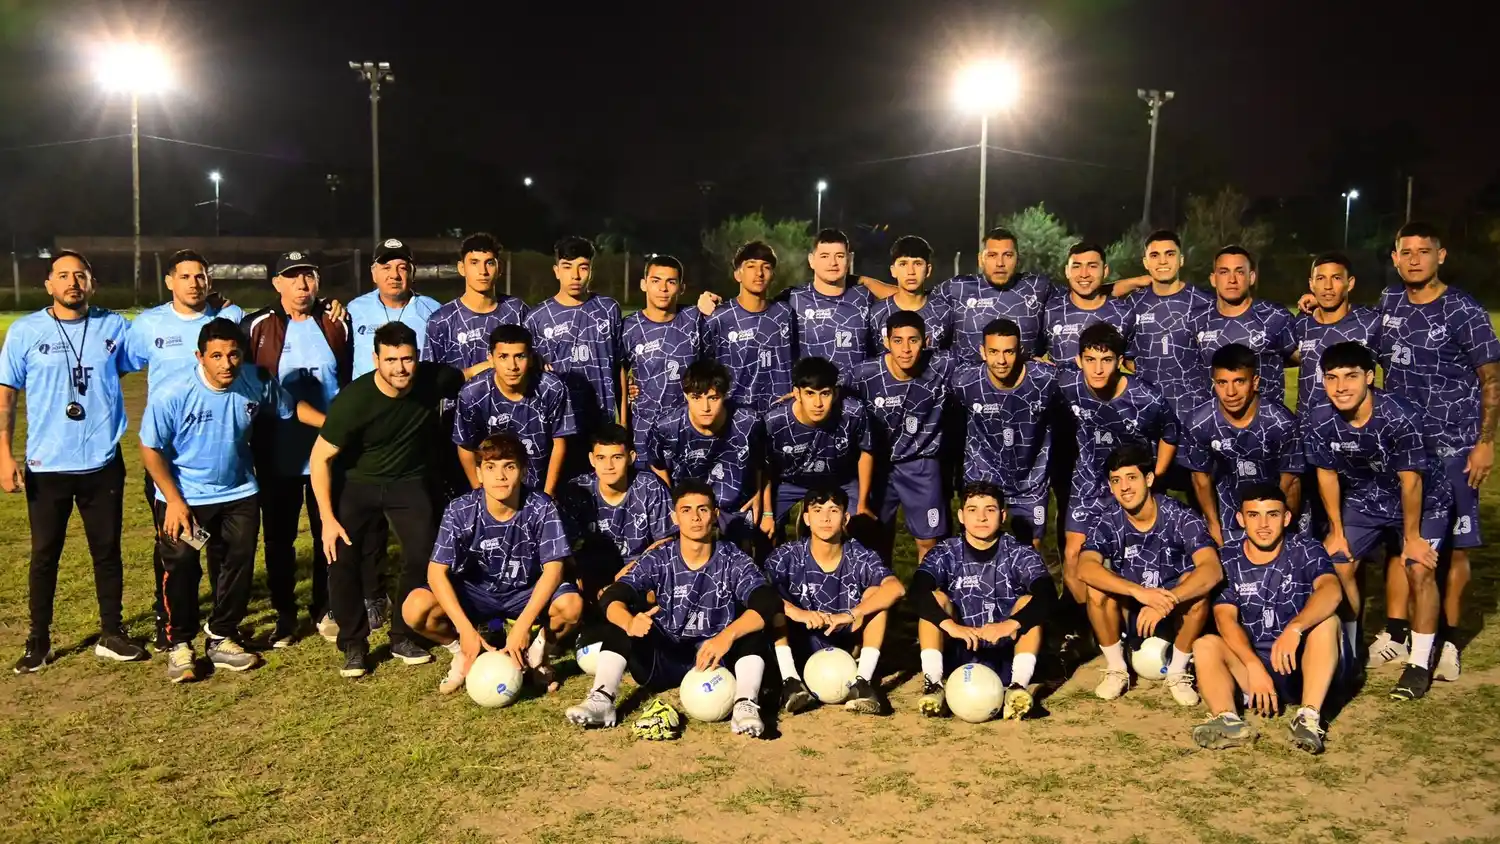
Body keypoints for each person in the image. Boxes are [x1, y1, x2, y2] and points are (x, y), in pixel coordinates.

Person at [140, 319, 324, 682]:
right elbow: (150, 449)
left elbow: (290, 408)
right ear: (200, 356)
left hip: (239, 493)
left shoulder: (254, 381)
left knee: (237, 565)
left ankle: (221, 636)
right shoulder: (172, 392)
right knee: (182, 565)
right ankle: (180, 644)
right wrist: (174, 500)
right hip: (185, 498)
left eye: (234, 355)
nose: (227, 364)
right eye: (217, 356)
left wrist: (335, 425)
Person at [0, 250, 149, 672]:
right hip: (47, 465)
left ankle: (112, 633)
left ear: (91, 283)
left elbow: (146, 351)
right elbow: (6, 395)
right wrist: (3, 454)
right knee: (45, 555)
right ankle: (38, 641)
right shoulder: (26, 331)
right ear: (49, 284)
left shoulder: (114, 327)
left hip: (102, 462)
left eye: (80, 275)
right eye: (63, 275)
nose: (72, 282)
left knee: (107, 552)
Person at [1373, 222, 1500, 683]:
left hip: (1455, 448)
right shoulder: (1389, 302)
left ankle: (1447, 641)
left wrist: (1485, 443)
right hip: (1401, 447)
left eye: (1423, 251)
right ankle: (1396, 632)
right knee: (1401, 541)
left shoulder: (1463, 309)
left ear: (1440, 256)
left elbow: (1491, 378)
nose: (1414, 259)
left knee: (1456, 548)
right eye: (1405, 252)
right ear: (1394, 258)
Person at [564, 480, 782, 739]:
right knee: (622, 622)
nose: (695, 517)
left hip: (717, 658)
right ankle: (602, 700)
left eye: (703, 509)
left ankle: (745, 705)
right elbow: (613, 595)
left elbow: (768, 601)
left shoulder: (733, 558)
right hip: (665, 658)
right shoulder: (660, 557)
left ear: (715, 515)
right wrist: (629, 622)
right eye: (686, 510)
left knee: (751, 630)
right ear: (675, 517)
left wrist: (727, 636)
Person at [309, 322, 464, 677]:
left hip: (408, 481)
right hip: (357, 482)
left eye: (407, 359)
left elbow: (470, 374)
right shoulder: (354, 400)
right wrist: (328, 519)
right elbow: (320, 458)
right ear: (375, 359)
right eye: (391, 360)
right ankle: (353, 643)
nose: (400, 368)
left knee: (424, 554)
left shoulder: (433, 379)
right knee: (341, 557)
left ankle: (402, 636)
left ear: (417, 357)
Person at [1304, 341, 1452, 700]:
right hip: (1366, 500)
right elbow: (1326, 475)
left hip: (1423, 500)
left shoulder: (1400, 414)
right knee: (1337, 563)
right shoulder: (1320, 417)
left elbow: (1411, 482)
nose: (1341, 387)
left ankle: (1418, 663)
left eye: (1351, 377)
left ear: (1370, 377)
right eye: (1332, 378)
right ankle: (1350, 653)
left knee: (1419, 568)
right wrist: (1337, 531)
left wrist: (1412, 538)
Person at [125, 249, 245, 649]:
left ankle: (221, 625)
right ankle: (171, 623)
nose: (194, 283)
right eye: (186, 276)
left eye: (201, 276)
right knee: (178, 545)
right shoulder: (148, 324)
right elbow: (120, 367)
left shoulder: (229, 318)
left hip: (218, 452)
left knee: (221, 547)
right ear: (170, 281)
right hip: (168, 458)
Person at [403, 433, 583, 695]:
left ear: (523, 471)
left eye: (509, 466)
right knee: (415, 608)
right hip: (476, 592)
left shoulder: (542, 507)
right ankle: (462, 653)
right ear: (479, 473)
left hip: (525, 590)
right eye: (490, 467)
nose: (500, 476)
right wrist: (465, 630)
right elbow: (436, 572)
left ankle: (537, 656)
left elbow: (554, 570)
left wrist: (523, 626)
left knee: (571, 606)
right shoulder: (459, 510)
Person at [243, 250, 352, 646]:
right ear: (277, 283)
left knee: (329, 530)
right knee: (279, 538)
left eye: (308, 276)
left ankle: (326, 606)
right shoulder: (256, 325)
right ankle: (285, 613)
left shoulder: (337, 321)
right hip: (278, 452)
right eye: (292, 277)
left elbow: (349, 376)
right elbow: (248, 382)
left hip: (329, 450)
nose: (302, 284)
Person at [1192, 483, 1341, 754]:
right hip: (1253, 670)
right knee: (1205, 645)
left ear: (1286, 518)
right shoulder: (1227, 557)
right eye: (1253, 515)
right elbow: (1225, 619)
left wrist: (1295, 629)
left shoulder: (1306, 548)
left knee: (1329, 623)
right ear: (1240, 519)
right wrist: (1253, 665)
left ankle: (1308, 717)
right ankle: (1228, 720)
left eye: (1272, 514)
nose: (1263, 524)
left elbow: (1331, 590)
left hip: (1299, 663)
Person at [1077, 444, 1222, 705]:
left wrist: (1168, 600)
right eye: (1116, 481)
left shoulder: (1180, 516)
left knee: (1196, 587)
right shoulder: (1107, 520)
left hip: (1175, 611)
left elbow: (1212, 569)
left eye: (1131, 478)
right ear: (1110, 487)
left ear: (1149, 479)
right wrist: (1139, 592)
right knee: (1096, 586)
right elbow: (1084, 567)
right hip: (1133, 608)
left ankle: (1178, 670)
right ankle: (1117, 668)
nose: (1124, 487)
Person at [1058, 323, 1179, 621]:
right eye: (1090, 360)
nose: (1098, 369)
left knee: (1131, 557)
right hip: (1088, 481)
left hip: (1129, 483)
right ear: (1078, 360)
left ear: (1120, 361)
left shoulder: (1146, 398)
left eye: (1107, 360)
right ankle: (1093, 626)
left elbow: (1170, 433)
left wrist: (1156, 475)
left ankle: (1131, 625)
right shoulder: (1067, 383)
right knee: (1073, 554)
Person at [910, 481, 1056, 721]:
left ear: (1003, 515)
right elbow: (916, 592)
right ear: (961, 516)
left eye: (990, 509)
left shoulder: (1020, 552)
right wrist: (951, 626)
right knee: (935, 598)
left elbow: (1048, 595)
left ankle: (1018, 687)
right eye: (972, 510)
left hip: (1007, 650)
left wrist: (1010, 625)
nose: (981, 517)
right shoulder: (946, 552)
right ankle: (934, 684)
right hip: (961, 650)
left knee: (1028, 601)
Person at [765, 487, 903, 715]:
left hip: (846, 641)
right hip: (800, 640)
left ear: (845, 518)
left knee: (876, 594)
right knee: (772, 599)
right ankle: (790, 681)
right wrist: (798, 613)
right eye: (817, 510)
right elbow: (758, 590)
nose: (826, 518)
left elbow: (896, 588)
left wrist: (850, 614)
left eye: (833, 510)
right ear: (806, 518)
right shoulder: (788, 555)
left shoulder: (859, 554)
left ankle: (863, 682)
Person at [1114, 230, 1216, 494]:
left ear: (1181, 259)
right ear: (1145, 262)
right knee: (1152, 495)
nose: (1162, 261)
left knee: (1203, 494)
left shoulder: (1205, 303)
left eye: (1169, 254)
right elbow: (1128, 359)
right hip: (1151, 421)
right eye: (1155, 255)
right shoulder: (1133, 304)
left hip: (1196, 417)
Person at [848, 310, 952, 561]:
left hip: (920, 463)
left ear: (926, 341)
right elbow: (830, 394)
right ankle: (883, 586)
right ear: (886, 342)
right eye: (898, 341)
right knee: (874, 539)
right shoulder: (863, 374)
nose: (905, 349)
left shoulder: (943, 365)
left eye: (913, 340)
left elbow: (986, 365)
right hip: (876, 464)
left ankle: (927, 586)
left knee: (929, 541)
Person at [951, 318, 1059, 549]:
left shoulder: (1046, 379)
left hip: (1030, 481)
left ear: (1021, 351)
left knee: (1031, 549)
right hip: (982, 477)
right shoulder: (964, 382)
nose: (1001, 360)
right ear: (983, 351)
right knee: (978, 544)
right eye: (994, 352)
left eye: (1008, 352)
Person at [1182, 344, 1304, 547]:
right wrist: (1213, 525)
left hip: (1276, 499)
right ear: (1213, 383)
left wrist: (1279, 522)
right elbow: (1200, 478)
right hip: (1228, 502)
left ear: (1254, 382)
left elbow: (1290, 481)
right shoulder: (1198, 422)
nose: (1230, 392)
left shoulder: (1281, 422)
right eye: (1222, 383)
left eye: (1239, 381)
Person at [647, 360, 765, 548]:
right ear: (685, 395)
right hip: (689, 507)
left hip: (736, 505)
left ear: (725, 395)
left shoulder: (749, 421)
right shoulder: (666, 427)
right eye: (696, 398)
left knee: (746, 556)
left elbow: (761, 462)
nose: (705, 407)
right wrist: (673, 503)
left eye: (713, 398)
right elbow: (657, 464)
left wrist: (760, 498)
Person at [525, 236, 623, 453]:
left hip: (602, 421)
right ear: (556, 271)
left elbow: (620, 368)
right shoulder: (536, 318)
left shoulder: (609, 310)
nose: (576, 275)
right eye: (567, 267)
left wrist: (624, 421)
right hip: (558, 426)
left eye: (583, 267)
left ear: (591, 271)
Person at [452, 324, 575, 496]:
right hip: (493, 486)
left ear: (531, 358)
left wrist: (547, 495)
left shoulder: (552, 388)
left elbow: (559, 443)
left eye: (520, 356)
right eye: (503, 357)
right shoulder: (472, 393)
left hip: (538, 484)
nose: (512, 366)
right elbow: (465, 446)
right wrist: (479, 492)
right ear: (491, 359)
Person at [558, 424, 675, 599]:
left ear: (631, 457)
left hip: (640, 567)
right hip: (593, 569)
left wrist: (629, 573)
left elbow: (666, 539)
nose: (609, 466)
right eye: (601, 458)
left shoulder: (650, 486)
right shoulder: (578, 489)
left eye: (617, 457)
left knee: (656, 592)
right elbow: (564, 546)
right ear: (591, 459)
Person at [763, 356, 874, 538]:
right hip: (789, 483)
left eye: (825, 393)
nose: (818, 404)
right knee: (762, 530)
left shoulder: (854, 412)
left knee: (859, 526)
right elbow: (764, 467)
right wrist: (767, 513)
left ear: (835, 393)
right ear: (797, 393)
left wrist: (863, 503)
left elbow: (866, 451)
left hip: (840, 481)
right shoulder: (774, 421)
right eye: (810, 394)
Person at [621, 255, 703, 461]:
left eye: (671, 282)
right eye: (656, 281)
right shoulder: (628, 328)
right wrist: (626, 390)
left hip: (690, 429)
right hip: (643, 430)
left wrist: (712, 301)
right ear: (644, 284)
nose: (663, 288)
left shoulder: (696, 318)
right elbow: (616, 372)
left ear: (681, 288)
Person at [1193, 246, 1296, 408]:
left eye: (1240, 272)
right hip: (1215, 420)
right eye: (1224, 272)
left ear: (1252, 277)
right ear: (1213, 279)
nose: (1232, 279)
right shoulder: (1197, 319)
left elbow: (1309, 358)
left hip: (1267, 419)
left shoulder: (1275, 316)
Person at [699, 241, 794, 413]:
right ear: (737, 274)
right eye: (751, 266)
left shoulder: (785, 313)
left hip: (781, 412)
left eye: (766, 267)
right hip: (735, 415)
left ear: (773, 274)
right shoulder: (718, 318)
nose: (759, 273)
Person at [934, 226, 1053, 360]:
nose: (1000, 263)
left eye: (1008, 255)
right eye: (992, 255)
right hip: (964, 373)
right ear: (980, 260)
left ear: (1018, 260)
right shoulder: (955, 288)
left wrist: (1041, 364)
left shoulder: (1038, 287)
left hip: (1023, 373)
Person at [424, 232, 529, 380]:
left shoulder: (517, 310)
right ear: (461, 268)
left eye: (489, 263)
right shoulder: (441, 320)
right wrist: (475, 371)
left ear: (500, 268)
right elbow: (431, 379)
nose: (483, 271)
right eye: (474, 263)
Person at [347, 238, 441, 378]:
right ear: (374, 273)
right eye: (386, 268)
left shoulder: (434, 311)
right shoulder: (354, 310)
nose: (394, 275)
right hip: (366, 391)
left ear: (412, 273)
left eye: (402, 268)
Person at [788, 229, 876, 376]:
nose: (833, 263)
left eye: (839, 256)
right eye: (824, 256)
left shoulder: (865, 297)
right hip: (811, 388)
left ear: (849, 259)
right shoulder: (793, 300)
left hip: (857, 389)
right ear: (811, 260)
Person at [1044, 242, 1136, 362]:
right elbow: (1032, 354)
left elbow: (1131, 361)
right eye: (1076, 266)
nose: (1084, 274)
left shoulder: (1124, 313)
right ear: (1067, 271)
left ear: (1105, 271)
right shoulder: (1049, 311)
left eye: (1092, 266)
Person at [865, 235, 952, 350]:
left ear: (928, 270)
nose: (911, 271)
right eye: (903, 264)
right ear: (893, 271)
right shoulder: (876, 313)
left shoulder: (944, 312)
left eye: (917, 263)